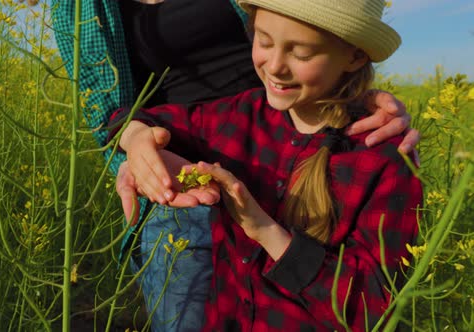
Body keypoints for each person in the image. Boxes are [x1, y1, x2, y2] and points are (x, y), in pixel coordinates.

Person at [51, 1, 420, 330]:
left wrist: (262, 228)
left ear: (355, 57)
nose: (275, 66)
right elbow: (144, 118)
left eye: (302, 53)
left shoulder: (381, 159)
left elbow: (373, 308)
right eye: (263, 40)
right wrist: (136, 139)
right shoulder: (237, 116)